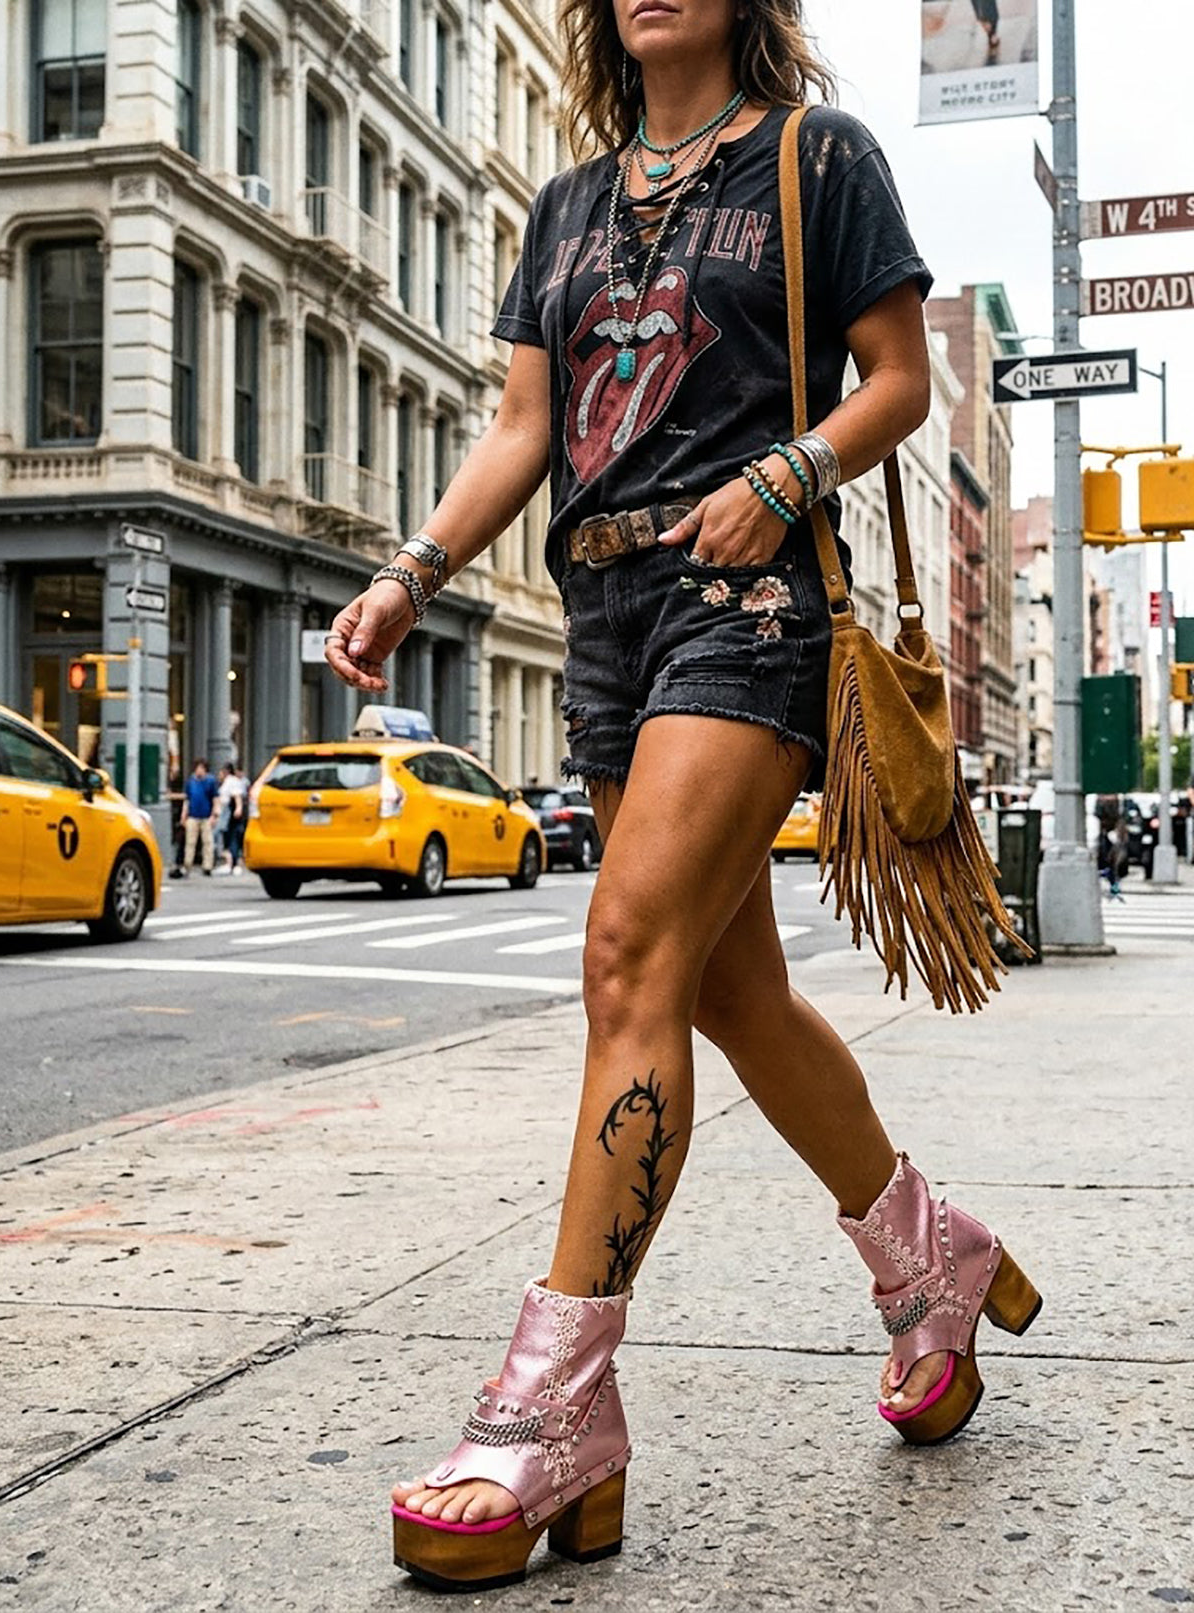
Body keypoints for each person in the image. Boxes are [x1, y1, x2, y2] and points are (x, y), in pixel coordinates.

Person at [327, 0, 1041, 1591]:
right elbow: (525, 425)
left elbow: (896, 381)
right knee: (729, 989)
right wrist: (409, 573)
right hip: (602, 616)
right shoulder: (566, 206)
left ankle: (555, 1405)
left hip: (751, 603)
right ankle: (930, 1259)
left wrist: (788, 472)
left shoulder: (815, 158)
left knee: (628, 958)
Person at [180, 758, 218, 877]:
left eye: (201, 768)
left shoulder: (210, 781)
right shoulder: (190, 782)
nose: (199, 771)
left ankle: (207, 866)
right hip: (193, 815)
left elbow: (215, 799)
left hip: (206, 816)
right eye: (197, 768)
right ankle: (187, 864)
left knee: (208, 842)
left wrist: (214, 815)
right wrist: (184, 814)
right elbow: (187, 799)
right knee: (190, 842)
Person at [219, 763, 250, 875]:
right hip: (228, 812)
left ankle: (233, 863)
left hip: (230, 812)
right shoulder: (230, 781)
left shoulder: (231, 781)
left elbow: (237, 796)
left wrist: (238, 808)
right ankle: (231, 863)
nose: (219, 775)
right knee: (230, 837)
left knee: (232, 837)